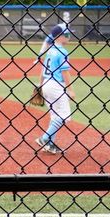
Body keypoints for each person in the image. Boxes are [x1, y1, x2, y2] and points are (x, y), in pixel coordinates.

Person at [36, 25, 73, 155]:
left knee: (55, 116)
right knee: (65, 116)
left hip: (46, 83)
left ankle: (49, 144)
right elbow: (65, 73)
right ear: (59, 36)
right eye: (67, 35)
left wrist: (40, 85)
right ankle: (44, 138)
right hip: (56, 86)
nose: (69, 37)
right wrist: (70, 90)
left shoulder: (51, 50)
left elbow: (42, 69)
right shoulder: (63, 51)